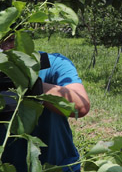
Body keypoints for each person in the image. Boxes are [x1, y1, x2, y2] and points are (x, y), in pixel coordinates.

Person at [0, 36, 90, 172]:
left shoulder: (52, 64)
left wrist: (32, 86)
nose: (5, 48)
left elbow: (80, 106)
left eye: (11, 40)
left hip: (57, 166)